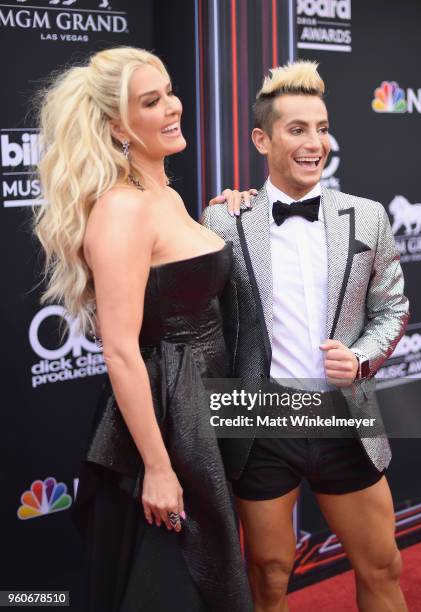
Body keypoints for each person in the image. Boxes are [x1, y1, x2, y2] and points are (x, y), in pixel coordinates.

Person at [33, 46, 253, 612]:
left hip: (205, 406)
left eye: (169, 92)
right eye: (150, 102)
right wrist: (158, 468)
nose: (173, 108)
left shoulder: (169, 196)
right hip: (167, 421)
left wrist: (225, 222)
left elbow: (186, 276)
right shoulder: (121, 209)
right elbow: (123, 350)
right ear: (116, 125)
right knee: (172, 585)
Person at [204, 61, 410, 612]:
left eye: (321, 128)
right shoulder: (224, 220)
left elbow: (393, 310)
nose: (314, 142)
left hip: (344, 414)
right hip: (261, 421)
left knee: (383, 565)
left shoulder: (366, 218)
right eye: (297, 129)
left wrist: (362, 357)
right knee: (269, 574)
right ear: (262, 138)